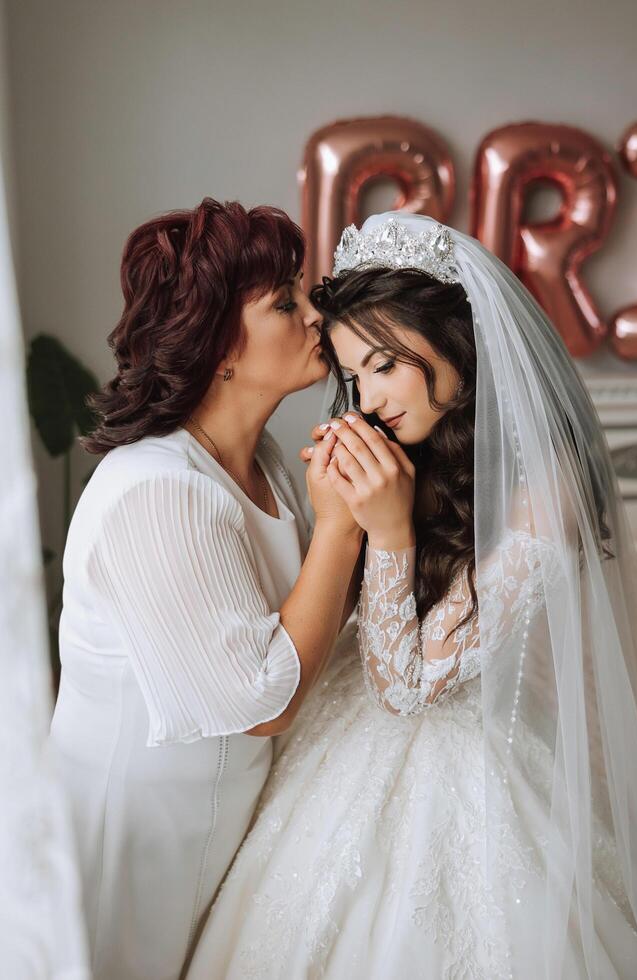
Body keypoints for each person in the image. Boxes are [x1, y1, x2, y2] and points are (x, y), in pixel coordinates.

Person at [187, 213, 637, 979]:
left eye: (384, 365)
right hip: (341, 736)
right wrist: (343, 517)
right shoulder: (411, 445)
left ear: (458, 343)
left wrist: (391, 530)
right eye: (354, 376)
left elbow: (408, 688)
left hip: (452, 744)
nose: (367, 399)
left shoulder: (550, 487)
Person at [49, 199, 363, 980]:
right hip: (130, 854)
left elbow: (319, 622)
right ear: (223, 345)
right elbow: (262, 700)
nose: (313, 312)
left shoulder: (271, 472)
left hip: (215, 836)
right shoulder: (155, 489)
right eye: (284, 302)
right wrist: (343, 528)